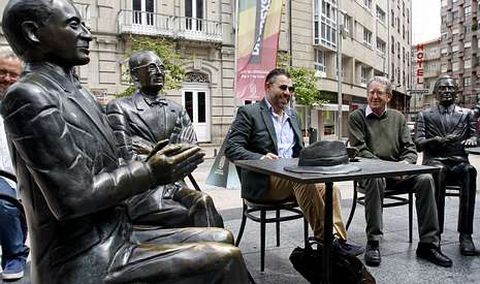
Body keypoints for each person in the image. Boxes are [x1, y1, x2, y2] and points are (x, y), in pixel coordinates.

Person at [0, 0, 249, 283]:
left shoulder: (77, 92)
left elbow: (114, 162)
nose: (87, 33)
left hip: (118, 233)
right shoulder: (29, 96)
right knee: (226, 259)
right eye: (73, 24)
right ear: (33, 32)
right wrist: (151, 171)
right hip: (81, 256)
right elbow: (73, 199)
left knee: (222, 236)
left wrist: (153, 159)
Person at [225, 68, 363, 256]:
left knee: (332, 188)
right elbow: (231, 149)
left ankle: (338, 240)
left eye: (291, 89)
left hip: (293, 179)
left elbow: (300, 153)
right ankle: (328, 241)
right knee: (301, 181)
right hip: (264, 182)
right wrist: (260, 158)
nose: (288, 93)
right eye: (283, 87)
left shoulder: (293, 116)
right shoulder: (249, 113)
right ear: (268, 86)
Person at [106, 50, 223, 228]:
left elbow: (191, 152)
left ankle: (216, 251)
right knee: (188, 213)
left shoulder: (177, 109)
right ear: (135, 75)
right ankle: (211, 250)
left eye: (161, 67)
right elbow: (124, 157)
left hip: (175, 185)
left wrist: (150, 150)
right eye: (152, 67)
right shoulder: (120, 107)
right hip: (141, 190)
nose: (159, 72)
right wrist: (170, 153)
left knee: (204, 201)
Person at [348, 76, 452, 268]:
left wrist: (404, 166)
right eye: (371, 92)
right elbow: (360, 151)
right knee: (376, 179)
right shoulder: (357, 117)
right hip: (371, 175)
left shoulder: (398, 118)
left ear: (388, 96)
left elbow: (410, 149)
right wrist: (390, 170)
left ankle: (428, 244)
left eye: (379, 92)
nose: (374, 96)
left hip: (399, 172)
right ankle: (373, 241)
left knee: (426, 178)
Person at [415, 75, 478, 256]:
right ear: (435, 93)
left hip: (458, 162)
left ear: (456, 92)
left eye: (450, 88)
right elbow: (418, 143)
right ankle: (436, 234)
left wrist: (472, 139)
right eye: (442, 88)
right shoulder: (425, 115)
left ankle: (466, 235)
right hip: (435, 161)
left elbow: (474, 136)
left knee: (470, 171)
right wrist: (436, 140)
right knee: (438, 172)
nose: (446, 91)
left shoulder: (468, 114)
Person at [0, 47, 29, 281]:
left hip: (24, 173)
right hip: (2, 175)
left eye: (12, 74)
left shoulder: (27, 104)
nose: (6, 78)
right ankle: (15, 255)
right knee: (4, 200)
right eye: (2, 72)